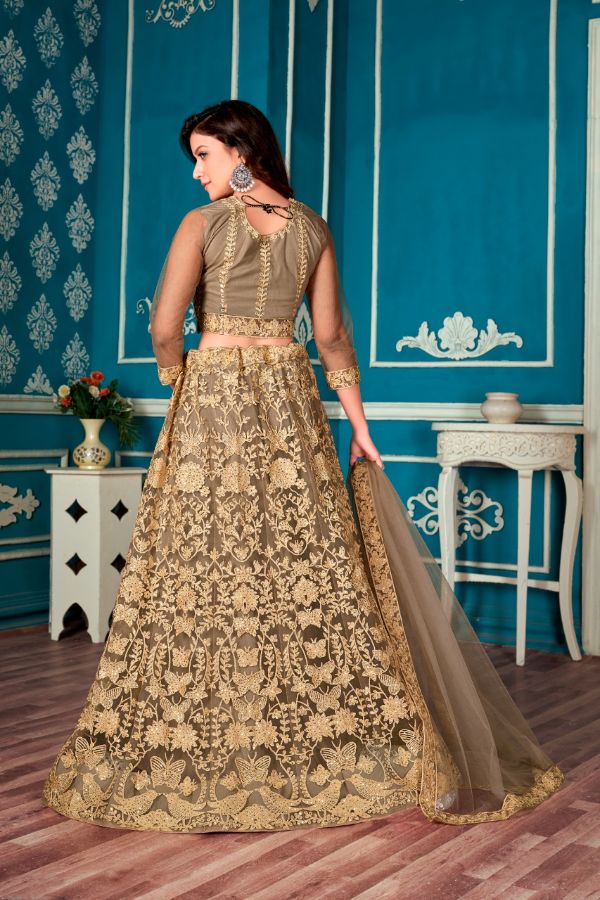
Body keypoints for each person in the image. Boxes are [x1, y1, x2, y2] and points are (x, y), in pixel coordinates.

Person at [42, 100, 564, 833]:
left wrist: (176, 377)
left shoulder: (203, 225)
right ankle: (322, 734)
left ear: (240, 151)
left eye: (203, 155)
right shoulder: (313, 228)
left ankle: (220, 730)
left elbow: (164, 326)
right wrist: (361, 430)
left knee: (206, 558)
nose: (196, 172)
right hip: (291, 402)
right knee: (303, 562)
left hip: (216, 401)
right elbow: (334, 339)